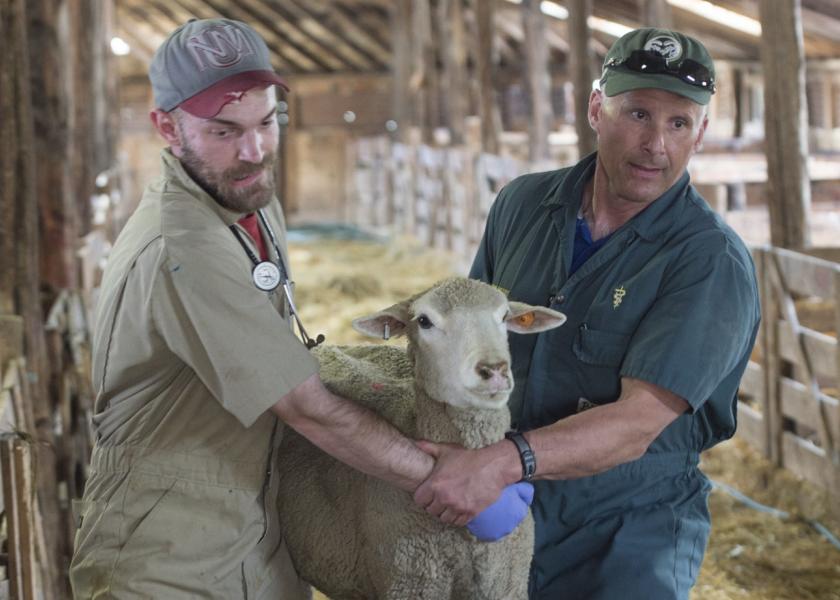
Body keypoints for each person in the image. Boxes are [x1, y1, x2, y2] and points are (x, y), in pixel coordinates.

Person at [69, 18, 529, 598]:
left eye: (266, 122)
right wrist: (456, 482)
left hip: (257, 530)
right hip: (171, 549)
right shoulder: (181, 247)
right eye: (223, 131)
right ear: (167, 127)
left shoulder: (245, 198)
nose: (254, 149)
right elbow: (305, 408)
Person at [414, 27, 761, 600]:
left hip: (627, 528)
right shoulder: (522, 204)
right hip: (506, 507)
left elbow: (633, 426)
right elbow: (466, 343)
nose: (656, 144)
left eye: (679, 123)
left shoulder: (708, 262)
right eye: (639, 114)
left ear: (700, 134)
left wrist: (504, 462)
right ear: (597, 108)